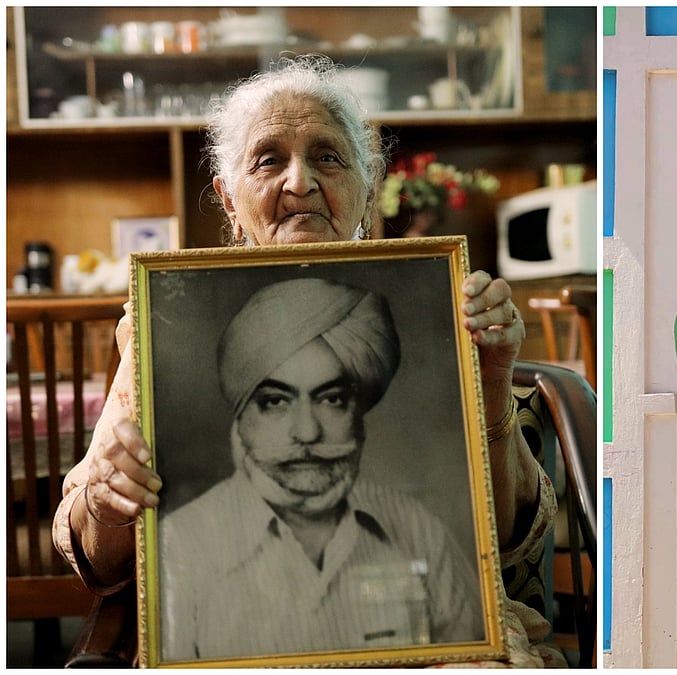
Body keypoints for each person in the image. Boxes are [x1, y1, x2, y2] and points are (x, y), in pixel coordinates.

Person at [52, 55, 562, 668]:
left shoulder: (442, 304)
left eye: (327, 156)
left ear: (365, 185)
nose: (300, 183)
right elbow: (94, 560)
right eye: (269, 159)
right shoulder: (164, 321)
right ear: (228, 199)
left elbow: (510, 548)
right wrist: (108, 499)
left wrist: (495, 374)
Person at [158, 278, 483, 660]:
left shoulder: (415, 527)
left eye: (331, 399)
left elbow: (475, 661)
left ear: (358, 413)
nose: (308, 432)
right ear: (240, 416)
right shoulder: (180, 545)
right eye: (276, 402)